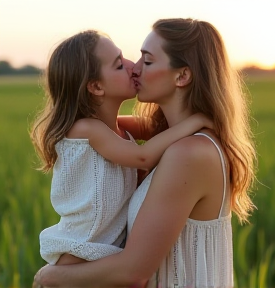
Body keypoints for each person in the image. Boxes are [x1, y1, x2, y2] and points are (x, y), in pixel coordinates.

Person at [34, 18, 257, 288]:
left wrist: (51, 276)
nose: (135, 69)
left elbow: (133, 273)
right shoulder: (169, 140)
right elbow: (124, 130)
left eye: (147, 61)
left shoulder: (189, 153)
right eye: (127, 61)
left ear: (182, 76)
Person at [30, 29, 212, 268]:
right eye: (118, 65)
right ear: (96, 87)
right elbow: (143, 156)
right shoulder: (86, 129)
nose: (132, 67)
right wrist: (197, 121)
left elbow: (156, 129)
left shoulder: (113, 130)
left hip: (103, 254)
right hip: (78, 255)